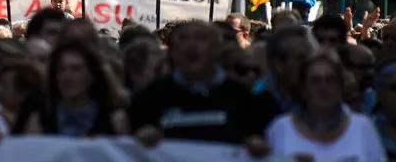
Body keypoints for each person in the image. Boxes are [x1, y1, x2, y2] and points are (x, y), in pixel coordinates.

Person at [130, 22, 276, 144]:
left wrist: (256, 144)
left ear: (217, 49)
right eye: (183, 38)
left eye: (201, 38)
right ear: (172, 51)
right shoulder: (150, 97)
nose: (191, 44)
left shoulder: (244, 98)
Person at [266, 51, 386, 161]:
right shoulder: (281, 128)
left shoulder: (363, 127)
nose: (323, 87)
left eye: (331, 80)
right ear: (303, 87)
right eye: (315, 80)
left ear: (341, 86)